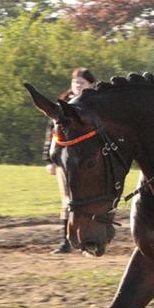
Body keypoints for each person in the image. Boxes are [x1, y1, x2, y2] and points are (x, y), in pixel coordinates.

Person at [44, 68, 97, 253]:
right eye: (75, 82)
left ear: (91, 85)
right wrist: (49, 159)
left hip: (89, 162)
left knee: (89, 199)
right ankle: (65, 242)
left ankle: (88, 241)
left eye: (82, 83)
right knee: (67, 200)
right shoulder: (61, 107)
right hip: (66, 162)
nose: (77, 85)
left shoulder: (95, 105)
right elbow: (51, 133)